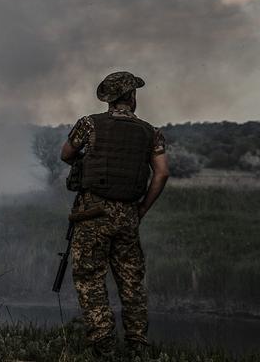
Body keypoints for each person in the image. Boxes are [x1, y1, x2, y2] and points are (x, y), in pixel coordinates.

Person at [60, 72, 169, 358]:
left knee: (89, 277)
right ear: (132, 97)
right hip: (129, 214)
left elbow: (66, 154)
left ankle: (104, 345)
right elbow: (162, 173)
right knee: (131, 280)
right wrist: (142, 207)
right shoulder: (150, 131)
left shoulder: (89, 124)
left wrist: (87, 159)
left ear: (108, 99)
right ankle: (137, 345)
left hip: (92, 212)